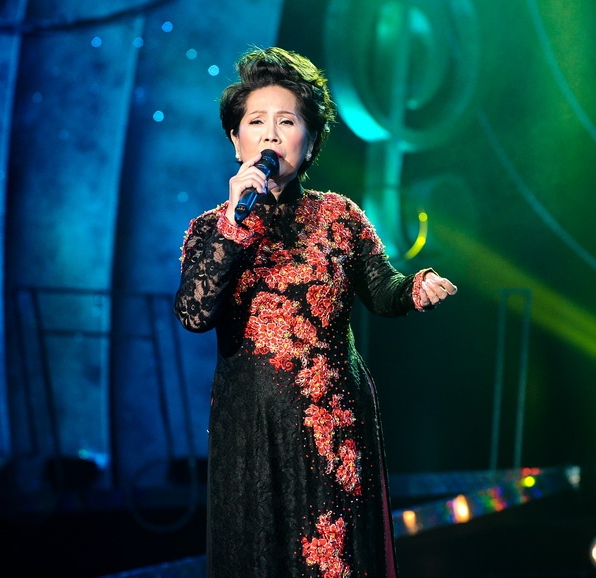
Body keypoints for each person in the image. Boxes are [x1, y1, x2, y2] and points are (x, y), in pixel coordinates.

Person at [174, 46, 457, 577]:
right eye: (256, 122)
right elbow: (193, 312)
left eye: (287, 121)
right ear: (236, 141)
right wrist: (235, 225)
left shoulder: (339, 216)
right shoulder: (211, 229)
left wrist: (416, 288)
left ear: (311, 140)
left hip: (332, 420)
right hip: (251, 425)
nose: (271, 135)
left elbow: (383, 290)